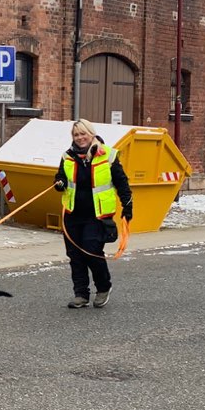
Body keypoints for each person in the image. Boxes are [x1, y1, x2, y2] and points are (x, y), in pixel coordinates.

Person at [52, 119, 133, 309]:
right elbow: (60, 178)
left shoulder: (108, 156)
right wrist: (60, 183)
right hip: (72, 215)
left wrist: (128, 208)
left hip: (97, 216)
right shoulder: (67, 157)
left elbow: (123, 184)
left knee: (92, 252)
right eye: (76, 135)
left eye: (83, 134)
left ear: (91, 134)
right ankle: (81, 294)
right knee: (75, 255)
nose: (80, 138)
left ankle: (103, 287)